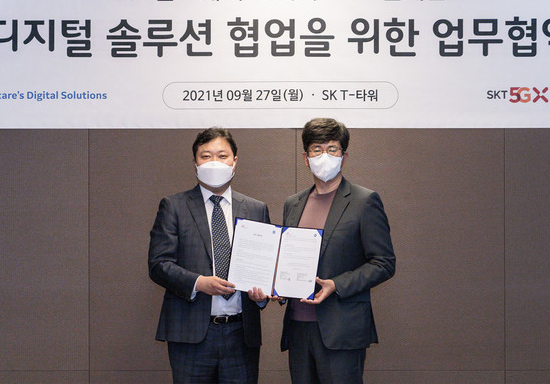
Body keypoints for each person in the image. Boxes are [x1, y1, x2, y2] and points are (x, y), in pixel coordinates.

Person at [148, 127, 271, 384]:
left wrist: (262, 296)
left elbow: (265, 267)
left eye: (222, 155)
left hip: (241, 334)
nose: (214, 162)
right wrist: (199, 283)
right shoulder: (174, 206)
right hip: (190, 336)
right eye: (206, 156)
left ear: (234, 161)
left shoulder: (256, 209)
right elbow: (159, 264)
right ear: (195, 163)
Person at [280, 118, 396, 384]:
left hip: (342, 330)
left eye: (332, 149)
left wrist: (336, 284)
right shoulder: (293, 203)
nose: (324, 156)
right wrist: (277, 286)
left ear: (344, 156)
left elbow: (384, 263)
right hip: (298, 328)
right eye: (317, 149)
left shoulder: (364, 201)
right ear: (306, 158)